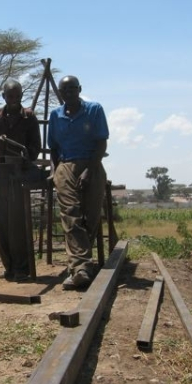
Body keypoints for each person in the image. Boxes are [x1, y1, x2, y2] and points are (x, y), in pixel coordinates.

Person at [47, 75, 109, 290]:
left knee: (91, 215)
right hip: (66, 166)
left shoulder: (94, 110)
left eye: (73, 89)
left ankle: (83, 266)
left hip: (92, 163)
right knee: (71, 213)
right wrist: (56, 172)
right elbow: (53, 147)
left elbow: (101, 143)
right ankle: (80, 268)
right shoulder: (56, 115)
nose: (69, 94)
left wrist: (89, 171)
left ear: (80, 89)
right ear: (61, 94)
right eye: (65, 91)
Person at [0, 79, 41, 282]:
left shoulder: (29, 117)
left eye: (17, 96)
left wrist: (24, 156)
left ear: (21, 96)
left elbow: (35, 147)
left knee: (18, 223)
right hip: (0, 174)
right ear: (4, 96)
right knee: (1, 222)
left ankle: (21, 268)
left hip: (20, 174)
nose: (14, 100)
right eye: (10, 96)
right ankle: (8, 268)